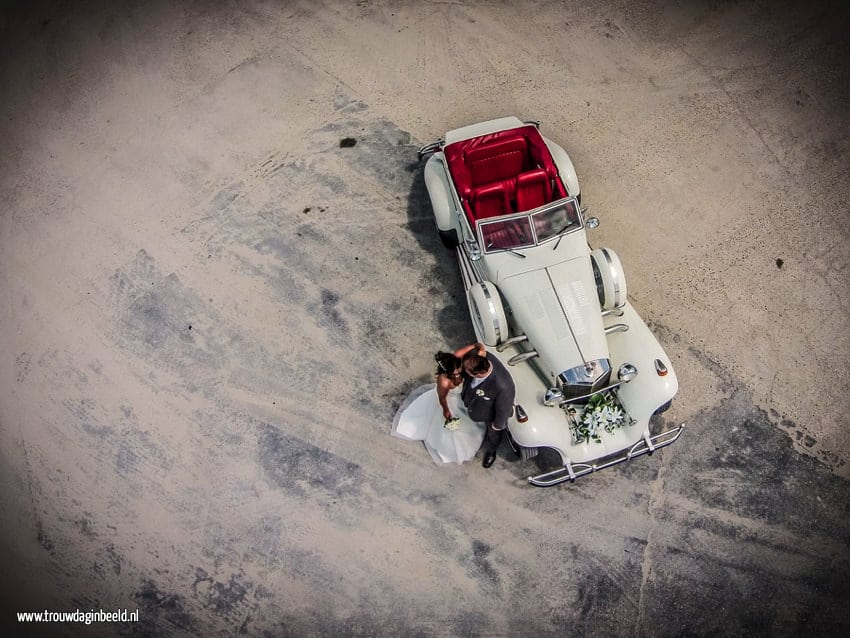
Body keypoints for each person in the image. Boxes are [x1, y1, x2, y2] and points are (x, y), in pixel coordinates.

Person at [391, 346, 487, 465]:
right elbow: (442, 397)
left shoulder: (457, 361)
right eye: (455, 372)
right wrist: (445, 410)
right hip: (449, 401)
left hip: (460, 398)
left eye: (459, 369)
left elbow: (460, 352)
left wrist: (477, 347)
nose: (458, 373)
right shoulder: (444, 381)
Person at [460, 347, 516, 468]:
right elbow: (479, 347)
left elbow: (504, 410)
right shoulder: (480, 357)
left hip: (490, 413)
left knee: (494, 434)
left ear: (478, 374)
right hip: (473, 400)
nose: (464, 371)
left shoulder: (504, 386)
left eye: (467, 371)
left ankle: (492, 451)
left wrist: (497, 426)